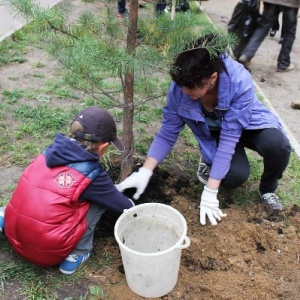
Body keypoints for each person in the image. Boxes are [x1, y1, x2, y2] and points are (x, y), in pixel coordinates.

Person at [116, 33, 291, 226]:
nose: (184, 91)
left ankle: (267, 190)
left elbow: (229, 139)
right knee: (234, 176)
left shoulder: (239, 82)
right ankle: (209, 161)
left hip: (248, 123)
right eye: (182, 86)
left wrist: (210, 192)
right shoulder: (181, 87)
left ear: (212, 79)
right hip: (214, 132)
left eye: (189, 88)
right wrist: (145, 171)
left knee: (279, 145)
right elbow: (167, 133)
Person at [1, 106, 134, 275]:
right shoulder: (93, 175)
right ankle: (78, 254)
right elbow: (124, 206)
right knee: (100, 202)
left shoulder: (49, 152)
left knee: (39, 187)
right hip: (45, 252)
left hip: (14, 230)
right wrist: (130, 200)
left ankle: (4, 216)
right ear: (102, 147)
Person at [238, 0, 299, 72]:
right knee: (289, 31)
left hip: (271, 1)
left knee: (263, 27)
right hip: (290, 3)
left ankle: (247, 54)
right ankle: (283, 63)